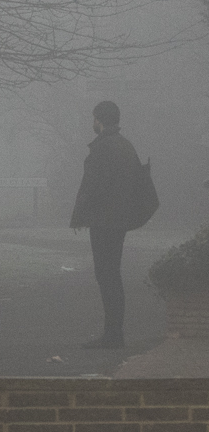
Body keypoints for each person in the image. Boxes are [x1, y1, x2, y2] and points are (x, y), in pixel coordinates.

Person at [70, 100, 143, 349]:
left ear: (100, 119)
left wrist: (80, 215)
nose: (93, 123)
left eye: (94, 118)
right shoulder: (126, 145)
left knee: (106, 275)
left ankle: (112, 335)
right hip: (119, 220)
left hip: (103, 220)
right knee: (113, 274)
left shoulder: (103, 146)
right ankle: (114, 332)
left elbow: (93, 185)